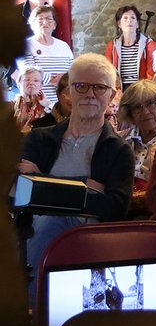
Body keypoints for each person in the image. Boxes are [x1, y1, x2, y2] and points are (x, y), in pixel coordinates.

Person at [19, 54, 135, 294]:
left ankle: (33, 305)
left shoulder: (118, 150)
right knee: (49, 222)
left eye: (99, 87)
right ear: (68, 91)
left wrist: (44, 186)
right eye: (81, 86)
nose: (89, 94)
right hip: (34, 235)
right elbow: (19, 190)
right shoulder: (40, 138)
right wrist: (86, 187)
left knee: (54, 218)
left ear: (111, 96)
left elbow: (115, 207)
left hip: (90, 241)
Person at [118, 80, 156, 218]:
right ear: (129, 113)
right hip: (123, 207)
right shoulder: (119, 140)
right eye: (137, 107)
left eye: (151, 103)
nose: (145, 112)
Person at [22, 6, 73, 107]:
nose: (45, 22)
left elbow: (73, 71)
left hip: (64, 104)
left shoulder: (64, 46)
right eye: (40, 19)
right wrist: (52, 79)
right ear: (32, 24)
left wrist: (64, 79)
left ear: (54, 25)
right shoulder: (27, 45)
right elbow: (29, 72)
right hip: (38, 104)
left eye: (49, 19)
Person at [104, 4, 156, 88]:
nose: (129, 21)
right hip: (119, 88)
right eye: (125, 18)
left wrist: (144, 91)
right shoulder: (111, 46)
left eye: (133, 18)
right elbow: (108, 72)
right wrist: (114, 91)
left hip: (141, 87)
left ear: (137, 24)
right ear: (119, 24)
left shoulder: (149, 45)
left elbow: (151, 73)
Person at [8, 64, 51, 133]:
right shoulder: (10, 106)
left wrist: (47, 104)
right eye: (27, 80)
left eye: (36, 80)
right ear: (19, 84)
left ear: (41, 85)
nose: (31, 83)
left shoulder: (47, 107)